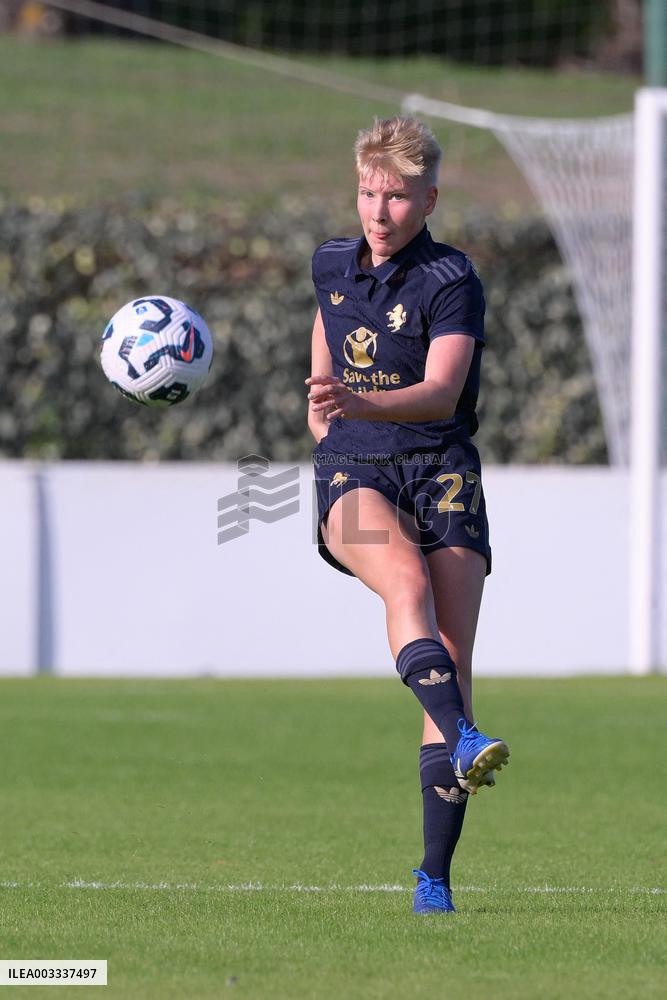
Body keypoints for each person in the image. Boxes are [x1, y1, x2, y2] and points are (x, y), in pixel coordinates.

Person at [305, 117, 510, 915]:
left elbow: (442, 391)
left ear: (428, 198)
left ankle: (434, 879)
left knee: (451, 662)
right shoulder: (329, 262)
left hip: (443, 470)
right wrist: (330, 417)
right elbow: (322, 349)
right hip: (355, 469)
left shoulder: (452, 278)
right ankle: (464, 737)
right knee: (404, 588)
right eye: (366, 192)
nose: (377, 210)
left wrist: (359, 399)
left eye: (394, 196)